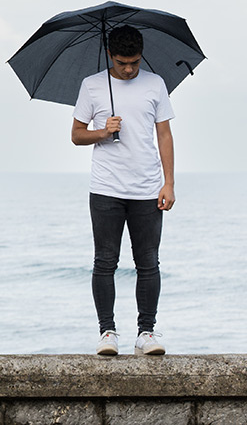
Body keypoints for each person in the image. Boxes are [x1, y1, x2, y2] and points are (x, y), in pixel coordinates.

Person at [71, 26, 175, 356]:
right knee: (105, 262)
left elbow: (164, 136)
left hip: (146, 188)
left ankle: (146, 332)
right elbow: (76, 135)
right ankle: (107, 333)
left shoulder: (155, 83)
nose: (128, 69)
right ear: (109, 55)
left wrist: (168, 182)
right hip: (106, 188)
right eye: (121, 63)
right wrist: (103, 131)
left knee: (148, 263)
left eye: (134, 62)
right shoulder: (92, 85)